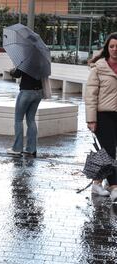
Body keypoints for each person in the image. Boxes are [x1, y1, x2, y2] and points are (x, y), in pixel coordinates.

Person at [85, 32, 117, 198]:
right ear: (107, 48)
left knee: (107, 152)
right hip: (103, 115)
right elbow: (90, 94)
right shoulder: (99, 67)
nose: (114, 49)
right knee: (109, 151)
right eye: (111, 46)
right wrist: (91, 119)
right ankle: (114, 186)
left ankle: (97, 184)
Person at [6, 69, 43, 157]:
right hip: (38, 92)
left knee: (18, 120)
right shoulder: (41, 61)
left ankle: (17, 148)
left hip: (26, 92)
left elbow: (17, 74)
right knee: (31, 120)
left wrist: (12, 71)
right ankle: (31, 149)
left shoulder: (26, 59)